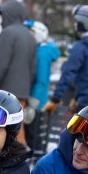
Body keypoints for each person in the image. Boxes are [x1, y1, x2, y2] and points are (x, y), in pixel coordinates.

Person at [43, 4, 88, 112]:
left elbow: (68, 74)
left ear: (84, 23)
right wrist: (76, 97)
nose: (75, 25)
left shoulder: (81, 47)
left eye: (77, 22)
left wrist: (55, 99)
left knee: (73, 129)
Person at [0, 0, 37, 143]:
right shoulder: (30, 36)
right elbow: (33, 69)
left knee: (4, 130)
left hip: (4, 93)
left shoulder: (7, 34)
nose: (2, 20)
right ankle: (21, 158)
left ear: (9, 15)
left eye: (3, 16)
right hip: (22, 92)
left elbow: (0, 66)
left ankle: (17, 158)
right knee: (17, 127)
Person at [25, 19, 60, 148]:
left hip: (36, 99)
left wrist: (33, 101)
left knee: (33, 133)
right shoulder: (40, 50)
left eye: (31, 33)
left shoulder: (42, 53)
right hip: (37, 97)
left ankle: (36, 160)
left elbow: (41, 79)